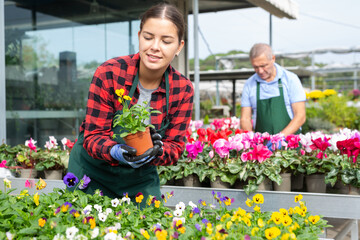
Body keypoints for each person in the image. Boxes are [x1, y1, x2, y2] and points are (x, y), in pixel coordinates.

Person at [67, 3, 194, 206]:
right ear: (139, 36)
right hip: (92, 173)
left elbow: (175, 147)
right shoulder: (109, 74)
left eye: (166, 41)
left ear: (179, 47)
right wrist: (115, 150)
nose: (155, 47)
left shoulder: (182, 89)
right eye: (148, 37)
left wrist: (157, 151)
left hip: (139, 181)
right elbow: (93, 137)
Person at [240, 43, 306, 136]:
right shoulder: (250, 84)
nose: (260, 71)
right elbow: (245, 119)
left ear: (273, 59)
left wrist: (280, 137)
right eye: (255, 67)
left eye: (263, 66)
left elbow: (300, 116)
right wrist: (251, 139)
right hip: (262, 146)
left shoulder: (290, 79)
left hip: (290, 143)